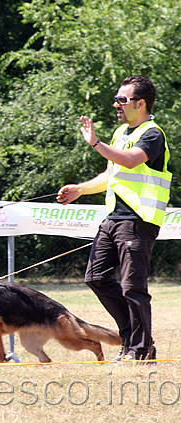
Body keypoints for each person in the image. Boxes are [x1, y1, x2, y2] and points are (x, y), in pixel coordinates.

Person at [57, 75, 171, 363]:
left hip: (138, 219)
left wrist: (95, 143)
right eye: (117, 99)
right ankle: (132, 337)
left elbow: (131, 160)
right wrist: (80, 190)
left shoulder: (152, 133)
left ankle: (140, 349)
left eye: (123, 99)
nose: (116, 104)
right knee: (96, 278)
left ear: (140, 103)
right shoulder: (122, 132)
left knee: (133, 287)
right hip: (113, 219)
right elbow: (112, 175)